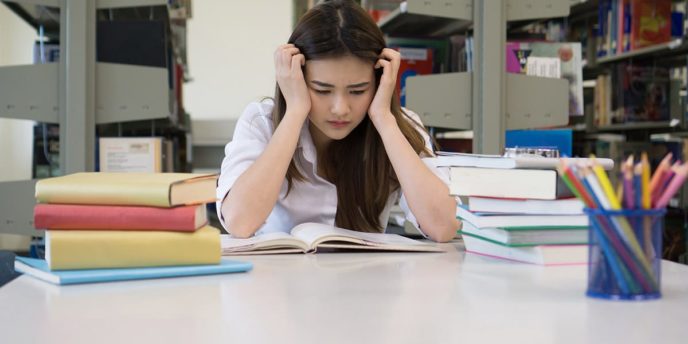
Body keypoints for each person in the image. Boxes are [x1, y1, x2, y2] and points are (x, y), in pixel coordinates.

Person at [216, 0, 459, 242]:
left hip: (367, 279)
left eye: (358, 90)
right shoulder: (262, 121)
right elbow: (239, 222)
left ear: (379, 81)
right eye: (322, 90)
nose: (341, 109)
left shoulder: (398, 126)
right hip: (282, 279)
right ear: (296, 78)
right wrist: (295, 112)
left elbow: (444, 226)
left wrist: (384, 119)